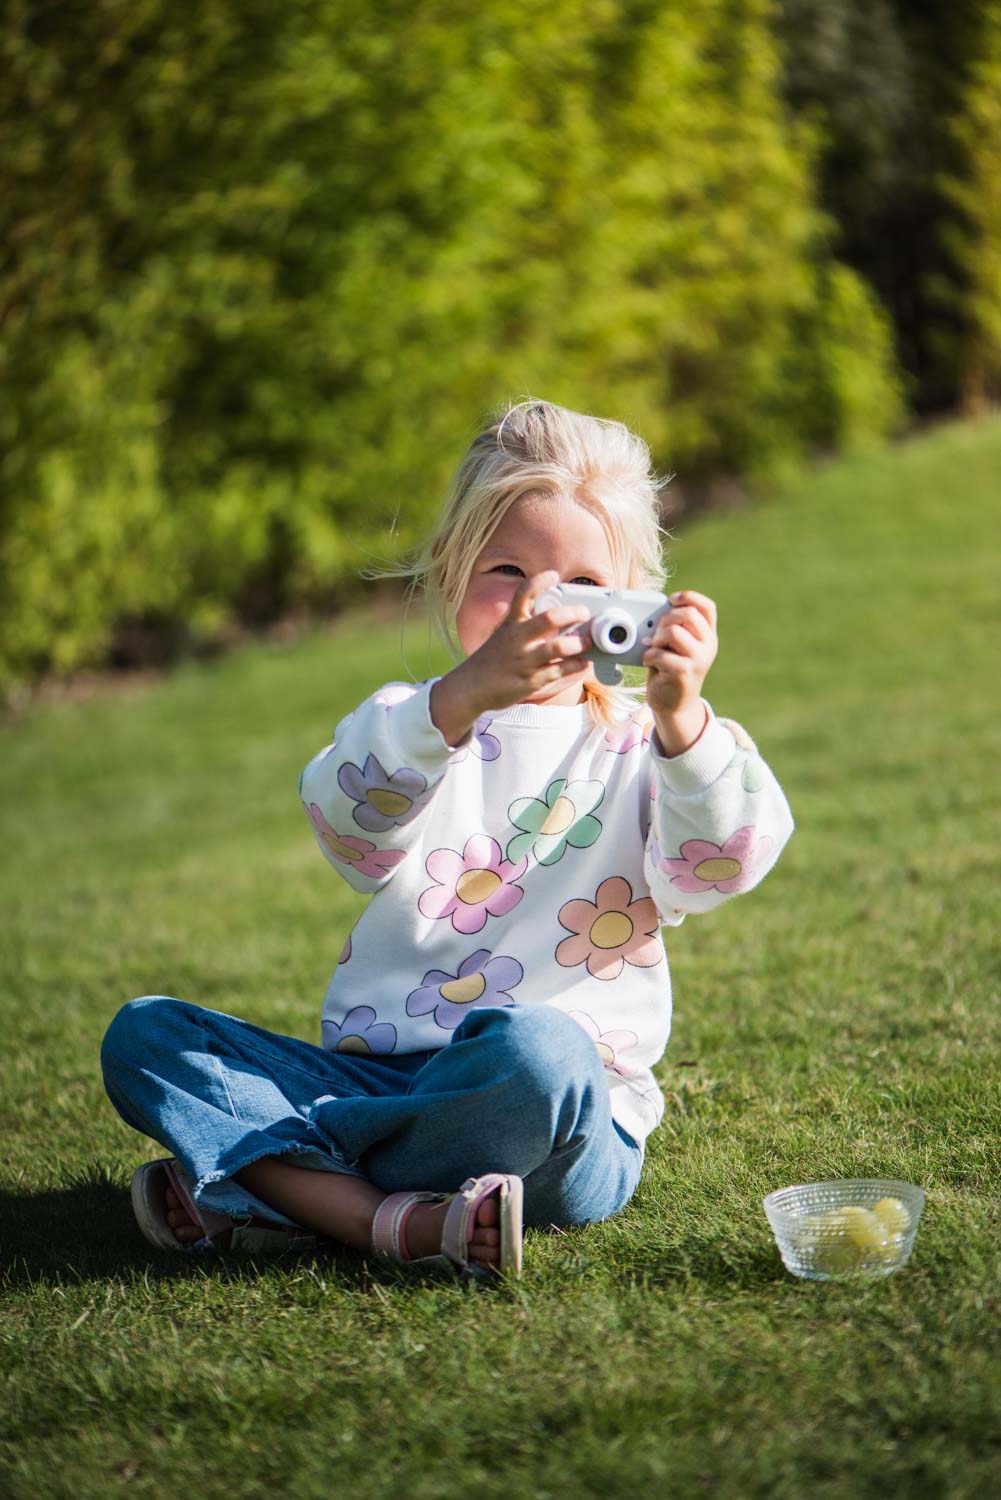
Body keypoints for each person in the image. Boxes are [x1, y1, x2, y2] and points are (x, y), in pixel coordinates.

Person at [101, 399, 794, 1278]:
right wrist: (461, 699)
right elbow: (353, 834)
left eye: (584, 585)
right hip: (383, 1080)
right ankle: (390, 1218)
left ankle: (282, 1186)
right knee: (147, 1034)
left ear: (638, 605)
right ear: (446, 577)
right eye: (507, 570)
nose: (544, 606)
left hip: (559, 1121)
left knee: (539, 1049)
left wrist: (684, 720)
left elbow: (719, 865)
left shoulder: (646, 742)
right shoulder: (413, 722)